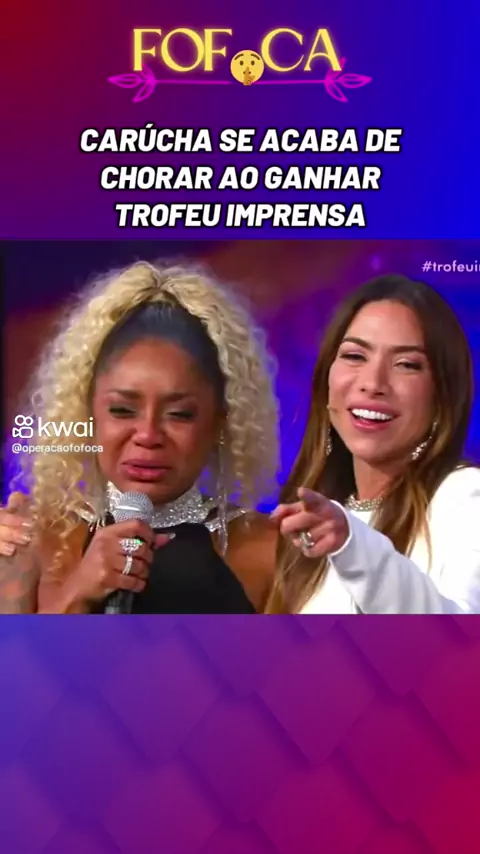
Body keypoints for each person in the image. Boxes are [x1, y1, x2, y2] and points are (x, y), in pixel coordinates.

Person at [0, 260, 279, 613]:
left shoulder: (272, 550)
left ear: (219, 423)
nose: (148, 436)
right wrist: (77, 594)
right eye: (122, 410)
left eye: (179, 414)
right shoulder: (27, 537)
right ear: (88, 414)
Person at [267, 274, 480, 614]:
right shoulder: (313, 517)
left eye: (406, 364)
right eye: (355, 356)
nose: (373, 382)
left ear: (442, 395)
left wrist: (353, 547)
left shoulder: (464, 496)